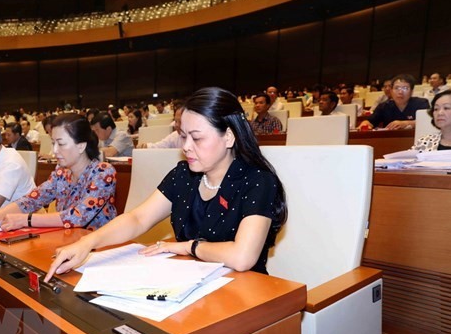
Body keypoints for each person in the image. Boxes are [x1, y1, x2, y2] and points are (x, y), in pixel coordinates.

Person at [44, 87, 287, 281]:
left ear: (229, 137)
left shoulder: (257, 181)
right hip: (186, 280)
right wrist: (88, 243)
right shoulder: (185, 174)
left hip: (243, 290)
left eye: (197, 138)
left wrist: (186, 247)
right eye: (184, 135)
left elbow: (242, 257)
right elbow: (138, 218)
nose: (186, 146)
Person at [0, 114, 117, 234]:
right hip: (69, 239)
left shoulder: (103, 172)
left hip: (98, 244)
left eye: (60, 144)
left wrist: (26, 220)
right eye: (53, 143)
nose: (54, 151)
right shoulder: (61, 173)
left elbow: (78, 216)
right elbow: (30, 201)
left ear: (81, 146)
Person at [358, 74, 429, 130]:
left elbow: (427, 121)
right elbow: (370, 121)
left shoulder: (421, 103)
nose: (400, 92)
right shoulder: (384, 106)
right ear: (391, 91)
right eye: (396, 88)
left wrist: (406, 123)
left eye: (405, 88)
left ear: (412, 91)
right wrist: (365, 124)